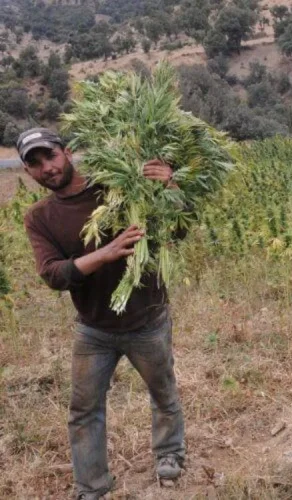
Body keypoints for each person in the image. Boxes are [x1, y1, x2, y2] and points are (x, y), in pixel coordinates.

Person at [18, 128, 186, 500]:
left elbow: (178, 227)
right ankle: (91, 487)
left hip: (147, 318)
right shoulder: (40, 217)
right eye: (35, 163)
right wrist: (105, 254)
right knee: (83, 410)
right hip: (93, 329)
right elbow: (53, 274)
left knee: (163, 393)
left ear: (68, 151)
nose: (47, 168)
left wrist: (169, 185)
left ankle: (170, 453)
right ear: (28, 172)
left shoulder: (117, 185)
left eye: (51, 156)